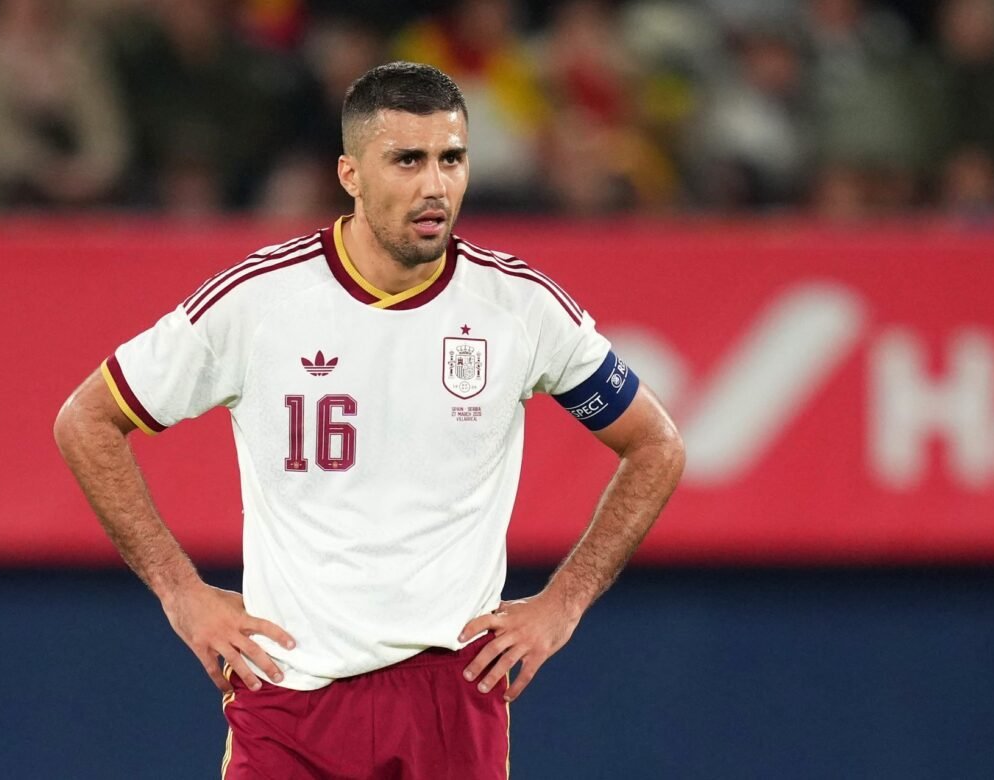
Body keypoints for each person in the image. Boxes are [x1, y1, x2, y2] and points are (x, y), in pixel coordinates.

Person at [54, 61, 685, 779]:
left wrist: (563, 604)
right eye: (407, 160)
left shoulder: (519, 308)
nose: (435, 185)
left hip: (453, 693)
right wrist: (180, 593)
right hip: (289, 696)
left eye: (452, 159)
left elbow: (654, 444)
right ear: (350, 174)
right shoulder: (259, 303)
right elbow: (87, 420)